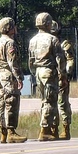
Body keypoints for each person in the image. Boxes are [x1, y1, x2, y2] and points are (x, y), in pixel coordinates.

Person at [28, 12, 64, 141]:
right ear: (48, 24)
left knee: (44, 100)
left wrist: (34, 72)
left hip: (38, 72)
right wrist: (62, 74)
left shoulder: (32, 40)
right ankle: (44, 129)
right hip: (49, 71)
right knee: (50, 101)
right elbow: (59, 59)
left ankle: (51, 129)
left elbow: (30, 60)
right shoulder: (52, 39)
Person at [0, 17, 28, 144]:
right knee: (11, 102)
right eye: (14, 26)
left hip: (1, 75)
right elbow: (12, 62)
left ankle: (3, 132)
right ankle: (11, 132)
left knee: (1, 103)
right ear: (9, 28)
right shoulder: (10, 43)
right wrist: (19, 77)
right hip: (9, 76)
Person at [51, 20, 73, 140]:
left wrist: (66, 74)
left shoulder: (64, 44)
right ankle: (53, 129)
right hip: (50, 77)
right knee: (50, 104)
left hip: (61, 78)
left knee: (62, 103)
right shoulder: (46, 43)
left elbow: (70, 60)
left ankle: (65, 129)